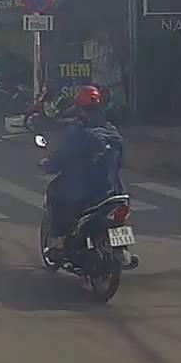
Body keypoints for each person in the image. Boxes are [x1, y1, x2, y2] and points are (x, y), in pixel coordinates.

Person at [42, 85, 128, 258]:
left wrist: (48, 165)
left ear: (79, 108)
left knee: (54, 193)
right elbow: (121, 161)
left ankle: (60, 241)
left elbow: (59, 158)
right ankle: (122, 247)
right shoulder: (111, 130)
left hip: (84, 192)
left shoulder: (77, 133)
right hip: (113, 190)